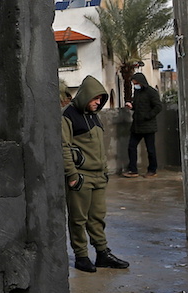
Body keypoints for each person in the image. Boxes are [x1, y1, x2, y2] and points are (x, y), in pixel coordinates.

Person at [62, 75, 129, 272]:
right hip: (81, 177)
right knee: (78, 218)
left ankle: (102, 254)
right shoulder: (68, 115)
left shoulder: (94, 115)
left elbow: (98, 146)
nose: (98, 102)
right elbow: (63, 147)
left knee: (98, 217)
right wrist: (72, 175)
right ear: (86, 96)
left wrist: (104, 172)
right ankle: (81, 256)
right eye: (95, 98)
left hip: (99, 176)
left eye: (101, 99)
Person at [121, 72, 163, 179]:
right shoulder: (138, 92)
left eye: (136, 83)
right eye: (134, 83)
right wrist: (132, 106)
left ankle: (152, 170)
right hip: (137, 125)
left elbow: (158, 107)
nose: (135, 85)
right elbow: (139, 105)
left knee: (150, 149)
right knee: (131, 147)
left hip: (148, 126)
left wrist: (148, 116)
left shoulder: (151, 92)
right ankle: (133, 170)